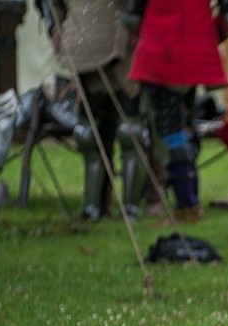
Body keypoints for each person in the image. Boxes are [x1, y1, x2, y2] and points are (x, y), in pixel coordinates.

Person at [123, 0, 228, 223]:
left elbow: (131, 17)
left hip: (159, 51)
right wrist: (203, 36)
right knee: (182, 128)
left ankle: (187, 207)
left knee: (171, 133)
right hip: (193, 50)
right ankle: (187, 204)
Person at [36, 0, 149, 221]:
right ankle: (92, 206)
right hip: (84, 37)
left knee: (131, 132)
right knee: (87, 134)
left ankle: (131, 207)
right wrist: (53, 26)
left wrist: (140, 21)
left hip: (125, 39)